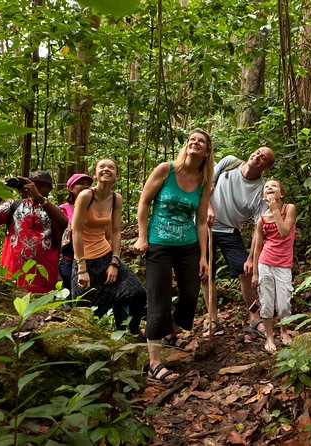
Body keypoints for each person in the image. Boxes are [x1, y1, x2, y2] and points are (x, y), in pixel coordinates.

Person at [133, 129, 213, 383]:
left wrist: (204, 257)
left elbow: (201, 221)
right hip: (159, 244)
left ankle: (167, 331)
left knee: (190, 297)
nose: (195, 142)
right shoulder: (166, 170)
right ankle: (154, 362)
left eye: (201, 141)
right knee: (160, 299)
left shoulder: (203, 181)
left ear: (207, 151)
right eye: (192, 139)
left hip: (188, 245)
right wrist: (143, 236)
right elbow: (144, 202)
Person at [203, 147, 275, 338]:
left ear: (266, 168)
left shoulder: (261, 191)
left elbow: (259, 229)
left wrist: (252, 257)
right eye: (258, 152)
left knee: (247, 271)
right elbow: (206, 183)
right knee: (205, 273)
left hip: (229, 230)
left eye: (263, 158)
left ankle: (254, 317)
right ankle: (212, 318)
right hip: (205, 226)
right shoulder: (230, 162)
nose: (257, 156)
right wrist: (208, 206)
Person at [71, 158, 146, 334]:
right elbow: (76, 231)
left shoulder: (115, 199)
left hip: (105, 255)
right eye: (102, 167)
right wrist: (82, 268)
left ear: (116, 176)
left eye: (111, 167)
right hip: (84, 259)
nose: (106, 169)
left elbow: (116, 232)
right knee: (83, 311)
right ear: (94, 174)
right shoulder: (86, 196)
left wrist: (114, 261)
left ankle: (132, 331)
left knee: (137, 292)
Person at [0, 171, 68, 293]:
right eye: (32, 184)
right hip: (12, 274)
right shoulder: (13, 205)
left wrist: (38, 196)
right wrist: (0, 192)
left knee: (41, 310)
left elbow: (64, 222)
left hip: (44, 275)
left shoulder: (55, 210)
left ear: (50, 188)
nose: (34, 188)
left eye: (41, 185)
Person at [251, 179, 296, 354]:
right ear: (263, 196)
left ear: (281, 194)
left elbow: (284, 232)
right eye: (266, 187)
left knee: (284, 303)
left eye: (274, 186)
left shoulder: (289, 209)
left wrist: (275, 209)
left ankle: (284, 331)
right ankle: (270, 336)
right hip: (265, 263)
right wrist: (255, 273)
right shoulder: (262, 220)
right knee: (267, 302)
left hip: (283, 265)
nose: (269, 187)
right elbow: (257, 248)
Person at [58, 173, 93, 300]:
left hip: (92, 257)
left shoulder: (95, 208)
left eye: (88, 184)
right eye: (81, 183)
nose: (86, 186)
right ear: (71, 188)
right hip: (69, 258)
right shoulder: (64, 209)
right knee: (70, 294)